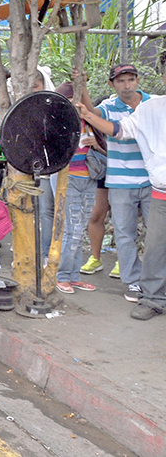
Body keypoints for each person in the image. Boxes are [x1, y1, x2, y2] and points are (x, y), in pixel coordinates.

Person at [77, 61, 166, 319]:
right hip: (153, 187)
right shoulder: (151, 108)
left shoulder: (150, 101)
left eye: (131, 79)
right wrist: (88, 114)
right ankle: (150, 295)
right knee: (151, 242)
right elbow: (119, 129)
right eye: (121, 80)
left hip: (148, 184)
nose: (127, 85)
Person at [54, 79, 100, 295]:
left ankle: (73, 276)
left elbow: (105, 143)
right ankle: (61, 275)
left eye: (76, 100)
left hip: (89, 178)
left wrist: (96, 144)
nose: (73, 104)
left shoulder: (90, 121)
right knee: (71, 228)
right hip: (68, 179)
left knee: (80, 229)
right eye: (69, 100)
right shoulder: (59, 123)